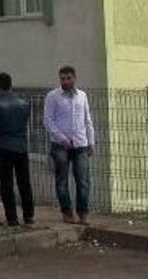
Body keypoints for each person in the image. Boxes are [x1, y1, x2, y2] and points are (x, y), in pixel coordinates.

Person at [43, 65, 95, 224]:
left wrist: (91, 142)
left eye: (68, 78)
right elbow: (48, 120)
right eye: (62, 79)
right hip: (61, 145)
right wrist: (62, 138)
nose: (65, 81)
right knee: (62, 180)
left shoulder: (82, 96)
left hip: (81, 144)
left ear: (74, 78)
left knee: (83, 180)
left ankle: (83, 212)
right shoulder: (53, 96)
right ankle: (66, 212)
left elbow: (87, 120)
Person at [0, 72, 34, 227]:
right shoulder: (24, 104)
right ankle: (29, 216)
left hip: (5, 147)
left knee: (6, 183)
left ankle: (12, 218)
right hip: (21, 147)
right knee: (24, 182)